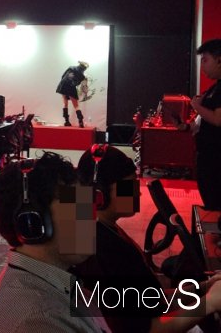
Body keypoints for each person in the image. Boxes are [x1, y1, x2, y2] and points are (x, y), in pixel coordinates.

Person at [73, 144, 221, 332]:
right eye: (129, 186)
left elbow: (149, 298)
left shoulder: (101, 230)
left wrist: (202, 289)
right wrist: (210, 302)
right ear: (99, 196)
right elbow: (148, 329)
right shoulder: (103, 252)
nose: (138, 192)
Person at [0, 152, 107, 333]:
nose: (93, 219)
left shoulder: (47, 283)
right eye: (78, 207)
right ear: (32, 223)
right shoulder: (40, 320)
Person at [191, 39, 221, 211]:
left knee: (215, 204)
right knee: (210, 203)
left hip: (216, 159)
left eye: (205, 60)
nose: (202, 66)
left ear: (219, 60)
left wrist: (197, 106)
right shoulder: (214, 88)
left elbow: (218, 120)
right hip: (207, 156)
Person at [56, 61, 89, 127]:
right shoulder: (82, 76)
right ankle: (80, 121)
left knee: (65, 103)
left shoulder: (71, 67)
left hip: (63, 84)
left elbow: (63, 76)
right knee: (76, 105)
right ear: (84, 69)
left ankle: (66, 121)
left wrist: (64, 83)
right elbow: (77, 83)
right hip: (71, 86)